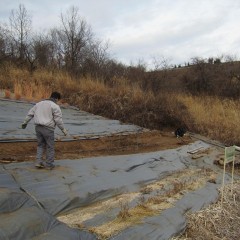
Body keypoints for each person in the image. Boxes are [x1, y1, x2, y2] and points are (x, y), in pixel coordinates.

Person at [21, 91, 68, 170]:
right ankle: (49, 164)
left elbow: (30, 114)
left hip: (38, 128)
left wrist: (25, 122)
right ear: (56, 98)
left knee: (40, 145)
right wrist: (63, 129)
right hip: (48, 129)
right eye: (58, 100)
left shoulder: (39, 104)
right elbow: (58, 120)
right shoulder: (55, 106)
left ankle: (38, 162)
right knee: (50, 146)